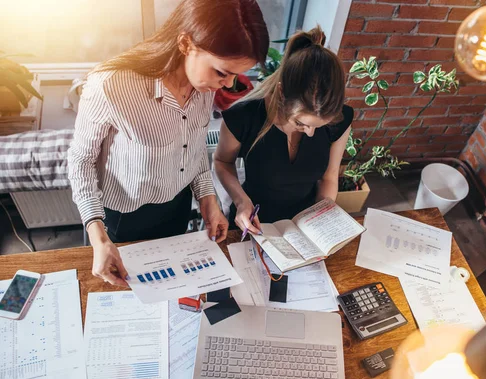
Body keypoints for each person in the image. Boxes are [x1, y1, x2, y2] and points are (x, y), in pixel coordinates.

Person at [68, 0, 269, 286]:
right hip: (123, 215)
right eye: (222, 72)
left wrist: (207, 200)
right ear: (187, 43)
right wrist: (98, 238)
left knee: (169, 292)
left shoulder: (203, 86)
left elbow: (194, 148)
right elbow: (81, 161)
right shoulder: (111, 85)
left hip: (177, 206)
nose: (227, 85)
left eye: (235, 75)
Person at [214, 26, 353, 235]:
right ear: (281, 92)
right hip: (253, 220)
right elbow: (222, 162)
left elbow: (329, 177)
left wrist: (322, 216)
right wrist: (241, 200)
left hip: (304, 224)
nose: (310, 133)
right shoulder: (244, 117)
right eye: (300, 123)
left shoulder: (339, 120)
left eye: (318, 126)